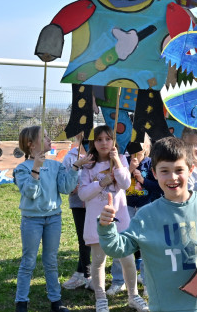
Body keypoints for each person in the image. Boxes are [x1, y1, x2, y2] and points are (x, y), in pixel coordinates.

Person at [97, 137, 197, 312]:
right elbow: (117, 248)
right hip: (166, 306)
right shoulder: (146, 216)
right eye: (165, 171)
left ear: (191, 170)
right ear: (154, 173)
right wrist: (106, 226)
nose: (173, 177)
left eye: (179, 170)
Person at [78, 125, 148, 312]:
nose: (104, 143)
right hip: (97, 221)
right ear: (94, 142)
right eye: (99, 139)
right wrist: (102, 183)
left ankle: (133, 296)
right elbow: (83, 195)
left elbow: (125, 184)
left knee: (128, 259)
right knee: (98, 261)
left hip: (120, 219)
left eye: (108, 139)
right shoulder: (88, 165)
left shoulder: (122, 160)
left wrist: (117, 161)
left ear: (114, 141)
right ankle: (101, 299)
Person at [13, 126, 81, 312]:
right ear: (30, 144)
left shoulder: (55, 165)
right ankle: (21, 302)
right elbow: (29, 193)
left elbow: (66, 188)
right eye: (44, 136)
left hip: (53, 219)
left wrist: (75, 167)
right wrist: (35, 169)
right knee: (28, 261)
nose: (50, 139)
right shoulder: (21, 169)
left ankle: (56, 302)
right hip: (32, 220)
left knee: (51, 260)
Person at [110, 141, 164, 298]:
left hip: (145, 208)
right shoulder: (123, 162)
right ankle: (118, 281)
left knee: (146, 246)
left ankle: (148, 284)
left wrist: (143, 180)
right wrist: (129, 169)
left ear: (147, 147)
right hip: (125, 208)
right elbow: (116, 183)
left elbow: (159, 187)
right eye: (134, 147)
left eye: (141, 146)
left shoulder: (151, 164)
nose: (137, 151)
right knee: (121, 243)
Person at [61, 134, 92, 291]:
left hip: (95, 204)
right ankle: (86, 275)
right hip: (78, 204)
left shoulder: (98, 152)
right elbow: (65, 181)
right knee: (83, 239)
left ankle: (83, 273)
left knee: (93, 239)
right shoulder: (70, 156)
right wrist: (74, 188)